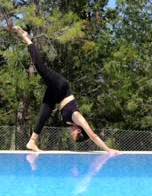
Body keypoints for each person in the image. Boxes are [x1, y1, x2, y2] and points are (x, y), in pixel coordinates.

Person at [13, 26, 118, 155]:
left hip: (57, 95)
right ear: (79, 131)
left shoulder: (71, 122)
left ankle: (32, 141)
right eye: (73, 135)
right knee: (40, 67)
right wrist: (108, 150)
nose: (70, 134)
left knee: (45, 112)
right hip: (60, 87)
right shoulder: (76, 117)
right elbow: (93, 135)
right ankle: (25, 36)